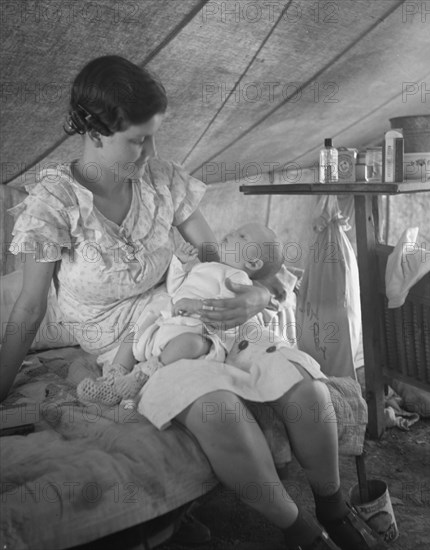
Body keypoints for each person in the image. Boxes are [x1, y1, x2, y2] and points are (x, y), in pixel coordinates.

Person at [0, 55, 373, 550]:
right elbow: (27, 309)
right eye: (138, 139)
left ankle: (333, 506)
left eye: (154, 135)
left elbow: (216, 256)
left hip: (201, 307)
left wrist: (256, 294)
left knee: (307, 390)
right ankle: (300, 532)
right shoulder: (53, 205)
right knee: (217, 409)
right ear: (93, 132)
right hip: (143, 343)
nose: (151, 150)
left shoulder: (161, 180)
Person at [76, 222, 284, 407]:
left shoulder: (238, 279)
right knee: (134, 334)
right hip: (168, 323)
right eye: (236, 229)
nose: (232, 232)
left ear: (253, 263)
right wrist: (180, 262)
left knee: (191, 344)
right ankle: (113, 379)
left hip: (196, 330)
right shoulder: (207, 266)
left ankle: (142, 375)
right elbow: (176, 289)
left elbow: (224, 308)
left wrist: (196, 306)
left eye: (242, 236)